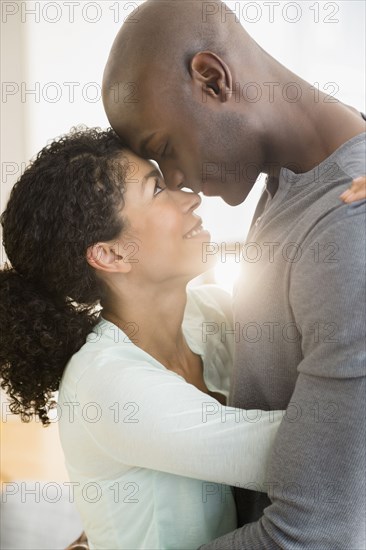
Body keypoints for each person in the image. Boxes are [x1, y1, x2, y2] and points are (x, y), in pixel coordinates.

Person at [102, 1, 366, 547]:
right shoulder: (289, 187)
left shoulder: (348, 226)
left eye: (165, 151)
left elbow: (309, 537)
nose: (181, 184)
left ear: (212, 78)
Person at [0, 127, 287, 549]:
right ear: (111, 254)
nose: (191, 197)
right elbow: (296, 453)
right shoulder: (108, 386)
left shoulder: (211, 313)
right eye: (157, 191)